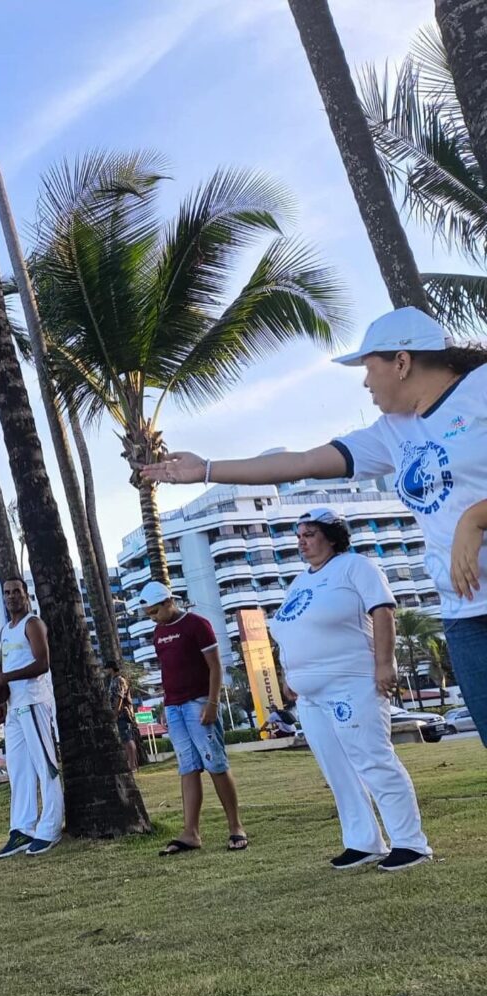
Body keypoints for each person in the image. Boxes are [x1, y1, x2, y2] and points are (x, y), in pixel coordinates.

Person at [140, 307, 487, 748]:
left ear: (402, 363)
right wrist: (207, 469)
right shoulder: (393, 432)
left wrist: (475, 519)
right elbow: (300, 461)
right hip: (465, 615)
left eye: (368, 368)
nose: (365, 383)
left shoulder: (479, 390)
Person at [269, 508, 432, 871]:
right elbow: (286, 630)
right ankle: (362, 842)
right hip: (310, 695)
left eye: (309, 534)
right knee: (337, 769)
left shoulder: (356, 567)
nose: (301, 541)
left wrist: (384, 664)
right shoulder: (299, 583)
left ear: (332, 536)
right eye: (299, 535)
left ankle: (410, 843)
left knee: (373, 760)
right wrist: (287, 674)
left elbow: (383, 611)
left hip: (352, 682)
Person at [140, 581, 248, 856]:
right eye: (149, 614)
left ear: (168, 602)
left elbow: (215, 666)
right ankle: (190, 833)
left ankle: (236, 827)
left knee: (216, 765)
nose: (153, 618)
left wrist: (212, 703)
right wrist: (167, 702)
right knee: (187, 768)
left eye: (155, 612)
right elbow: (168, 669)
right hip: (174, 706)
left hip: (198, 703)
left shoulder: (197, 624)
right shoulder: (158, 633)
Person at [0, 578, 63, 857]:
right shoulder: (5, 630)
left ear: (26, 595)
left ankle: (50, 828)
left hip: (34, 701)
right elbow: (5, 666)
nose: (11, 596)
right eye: (6, 592)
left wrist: (5, 677)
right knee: (18, 770)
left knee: (45, 767)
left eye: (16, 591)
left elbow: (42, 663)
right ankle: (22, 829)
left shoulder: (32, 623)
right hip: (14, 706)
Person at [105, 660, 139, 772]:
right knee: (125, 738)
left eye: (107, 668)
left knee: (127, 738)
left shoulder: (119, 680)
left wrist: (116, 712)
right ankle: (130, 764)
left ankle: (132, 765)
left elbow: (119, 697)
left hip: (122, 713)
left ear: (111, 668)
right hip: (120, 713)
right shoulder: (114, 680)